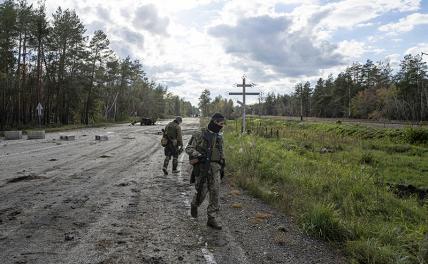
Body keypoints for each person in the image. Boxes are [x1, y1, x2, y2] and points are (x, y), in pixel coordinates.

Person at [186, 113, 225, 230]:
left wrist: (223, 163)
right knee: (201, 193)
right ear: (214, 122)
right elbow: (188, 148)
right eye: (220, 124)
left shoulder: (219, 136)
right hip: (203, 168)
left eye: (223, 124)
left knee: (215, 193)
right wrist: (199, 155)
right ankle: (194, 204)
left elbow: (221, 151)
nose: (221, 126)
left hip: (215, 169)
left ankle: (212, 218)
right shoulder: (200, 133)